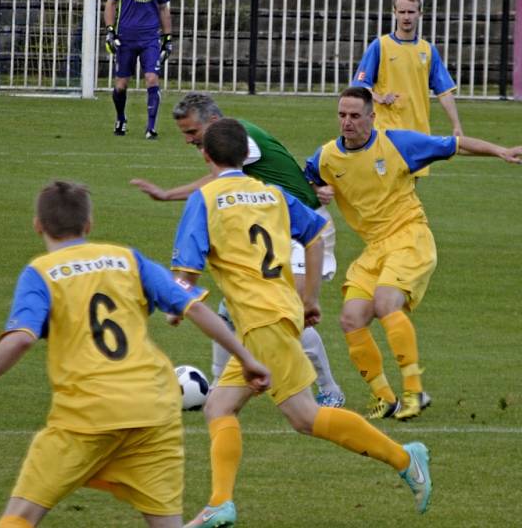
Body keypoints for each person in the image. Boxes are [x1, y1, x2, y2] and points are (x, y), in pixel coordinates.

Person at [0, 180, 271, 528]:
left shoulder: (41, 274)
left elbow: (20, 339)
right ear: (89, 225)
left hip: (88, 414)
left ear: (37, 225)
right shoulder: (127, 259)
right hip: (154, 408)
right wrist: (247, 359)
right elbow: (195, 308)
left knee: (21, 515)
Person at [171, 119, 433, 527]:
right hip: (279, 312)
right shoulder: (271, 193)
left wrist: (175, 302)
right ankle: (220, 502)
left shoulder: (204, 199)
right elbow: (314, 233)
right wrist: (309, 297)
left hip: (261, 321)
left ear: (206, 155)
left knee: (304, 417)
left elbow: (186, 272)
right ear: (246, 155)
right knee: (220, 405)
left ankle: (405, 457)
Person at [305, 87, 522, 421]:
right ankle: (384, 398)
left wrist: (501, 151)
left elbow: (455, 144)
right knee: (351, 318)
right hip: (374, 249)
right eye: (342, 115)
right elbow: (301, 183)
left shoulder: (397, 144)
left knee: (385, 302)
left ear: (371, 117)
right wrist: (314, 190)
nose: (346, 122)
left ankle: (414, 390)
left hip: (410, 237)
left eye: (354, 116)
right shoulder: (326, 157)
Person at [130, 92, 345, 408]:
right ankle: (219, 387)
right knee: (235, 310)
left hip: (301, 229)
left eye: (192, 132)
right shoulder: (238, 142)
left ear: (214, 123)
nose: (189, 140)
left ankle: (329, 390)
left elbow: (222, 178)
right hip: (274, 223)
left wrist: (167, 194)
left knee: (287, 314)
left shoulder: (241, 137)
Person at [352, 0, 462, 139]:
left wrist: (456, 126)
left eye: (411, 12)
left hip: (419, 132)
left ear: (419, 14)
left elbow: (444, 92)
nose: (406, 17)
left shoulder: (428, 50)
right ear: (395, 13)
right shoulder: (380, 46)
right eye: (402, 12)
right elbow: (359, 86)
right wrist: (379, 98)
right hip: (387, 130)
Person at [104, 0, 172, 139]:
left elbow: (163, 8)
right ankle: (121, 118)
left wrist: (167, 38)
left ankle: (151, 128)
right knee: (121, 84)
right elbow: (111, 3)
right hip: (126, 37)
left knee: (152, 79)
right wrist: (110, 29)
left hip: (150, 38)